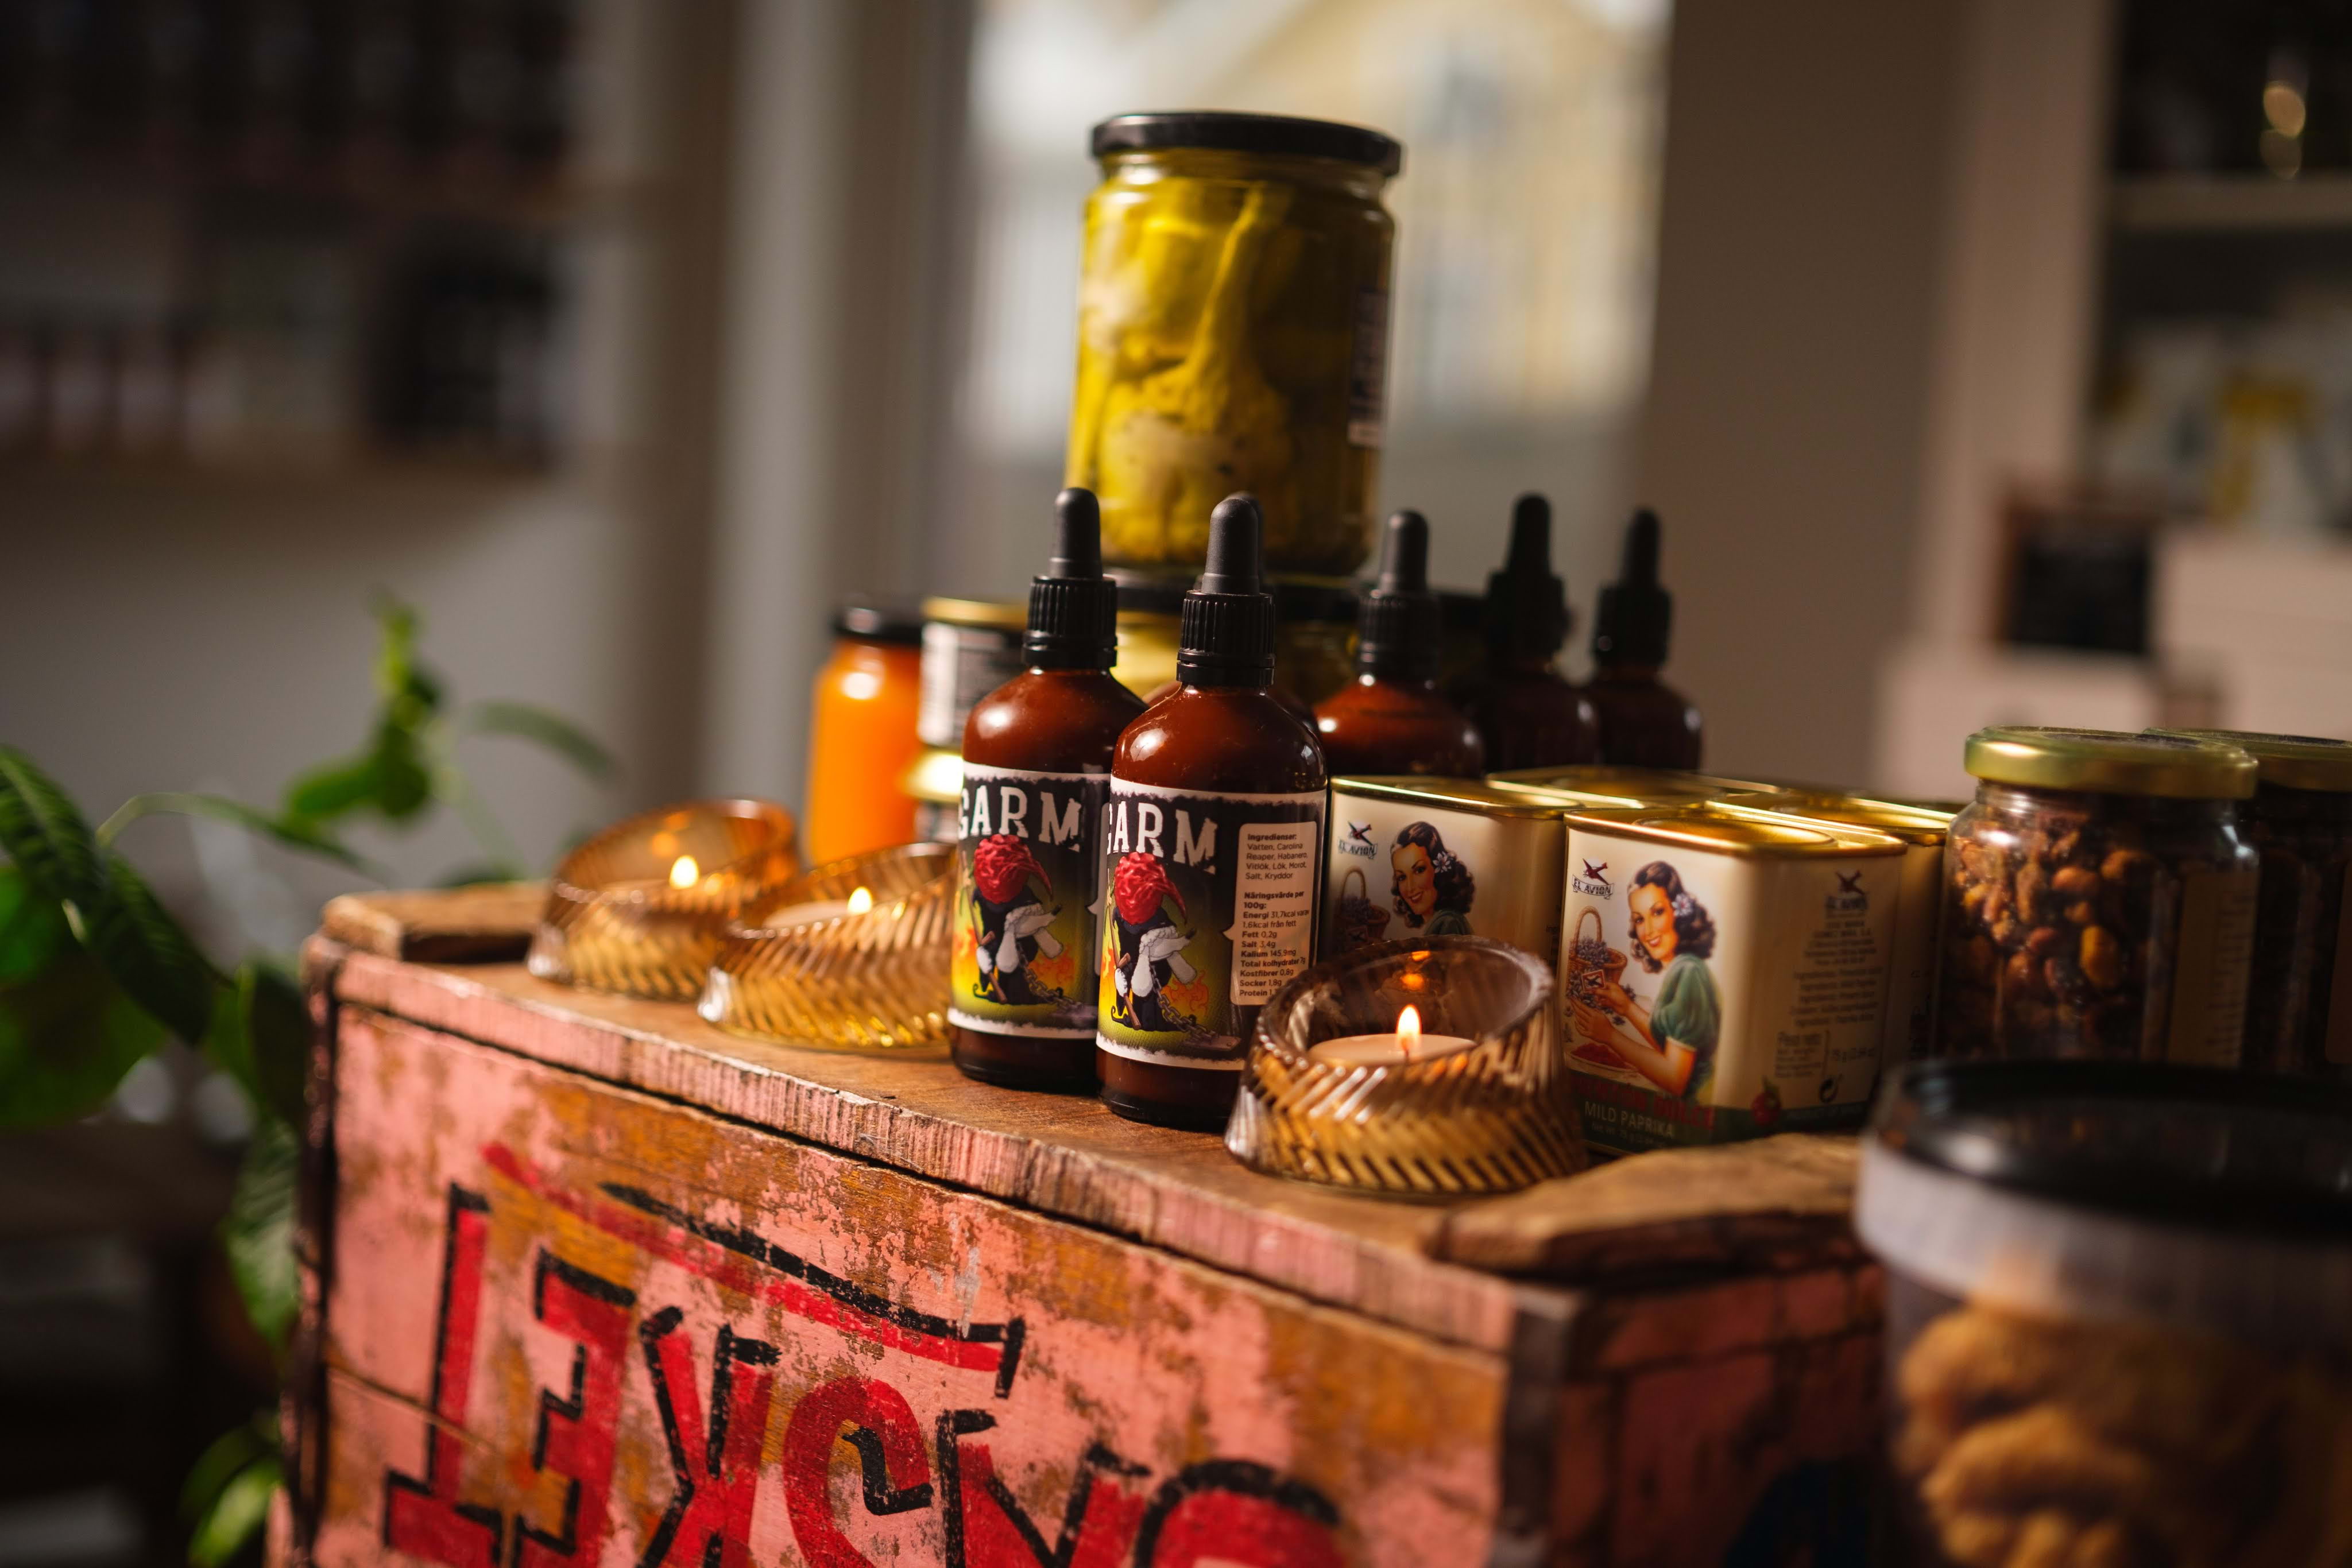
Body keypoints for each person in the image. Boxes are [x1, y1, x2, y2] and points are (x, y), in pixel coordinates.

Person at [1588, 861, 1720, 1098]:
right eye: (1639, 919)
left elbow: (1676, 1079)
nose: (1648, 931)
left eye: (1658, 912)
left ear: (1679, 912)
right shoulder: (1683, 968)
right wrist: (1627, 1007)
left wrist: (1610, 1036)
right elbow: (1672, 1042)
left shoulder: (1688, 973)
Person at [1390, 821, 1476, 936]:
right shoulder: (1440, 921)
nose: (1410, 887)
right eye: (1402, 877)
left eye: (1419, 870)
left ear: (1439, 870)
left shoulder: (1448, 923)